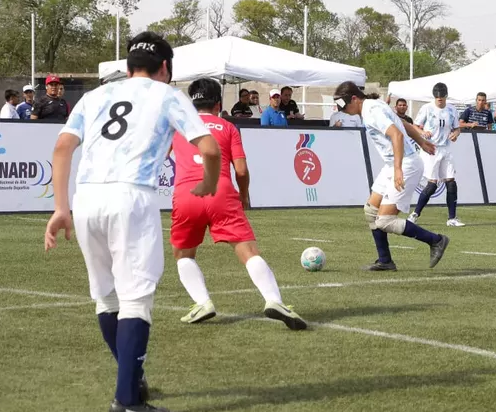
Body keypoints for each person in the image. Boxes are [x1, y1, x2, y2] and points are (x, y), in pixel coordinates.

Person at [44, 32, 221, 412]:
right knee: (137, 298)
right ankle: (127, 399)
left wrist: (61, 208)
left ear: (127, 68)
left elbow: (61, 149)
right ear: (165, 69)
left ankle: (132, 380)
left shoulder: (94, 97)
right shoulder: (168, 95)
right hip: (132, 196)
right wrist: (208, 182)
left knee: (106, 297)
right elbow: (209, 148)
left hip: (86, 197)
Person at [170, 78, 306, 330]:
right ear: (218, 103)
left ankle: (203, 302)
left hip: (187, 193)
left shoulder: (178, 127)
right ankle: (274, 300)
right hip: (221, 191)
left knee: (183, 255)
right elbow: (241, 170)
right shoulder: (227, 127)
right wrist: (244, 196)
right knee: (248, 252)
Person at [333, 81, 449, 271]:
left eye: (343, 105)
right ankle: (385, 260)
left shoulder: (371, 111)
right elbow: (402, 124)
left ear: (354, 98)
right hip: (394, 164)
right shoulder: (373, 105)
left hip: (406, 164)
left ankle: (436, 240)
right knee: (371, 211)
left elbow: (397, 134)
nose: (343, 110)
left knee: (385, 221)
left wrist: (397, 169)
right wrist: (421, 141)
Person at [409, 82, 464, 228]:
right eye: (437, 97)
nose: (439, 99)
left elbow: (457, 128)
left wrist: (455, 134)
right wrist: (423, 133)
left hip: (446, 148)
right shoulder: (427, 108)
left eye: (442, 97)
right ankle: (415, 214)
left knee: (451, 182)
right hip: (431, 149)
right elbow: (415, 126)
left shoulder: (452, 109)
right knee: (432, 184)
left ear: (446, 96)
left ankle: (452, 218)